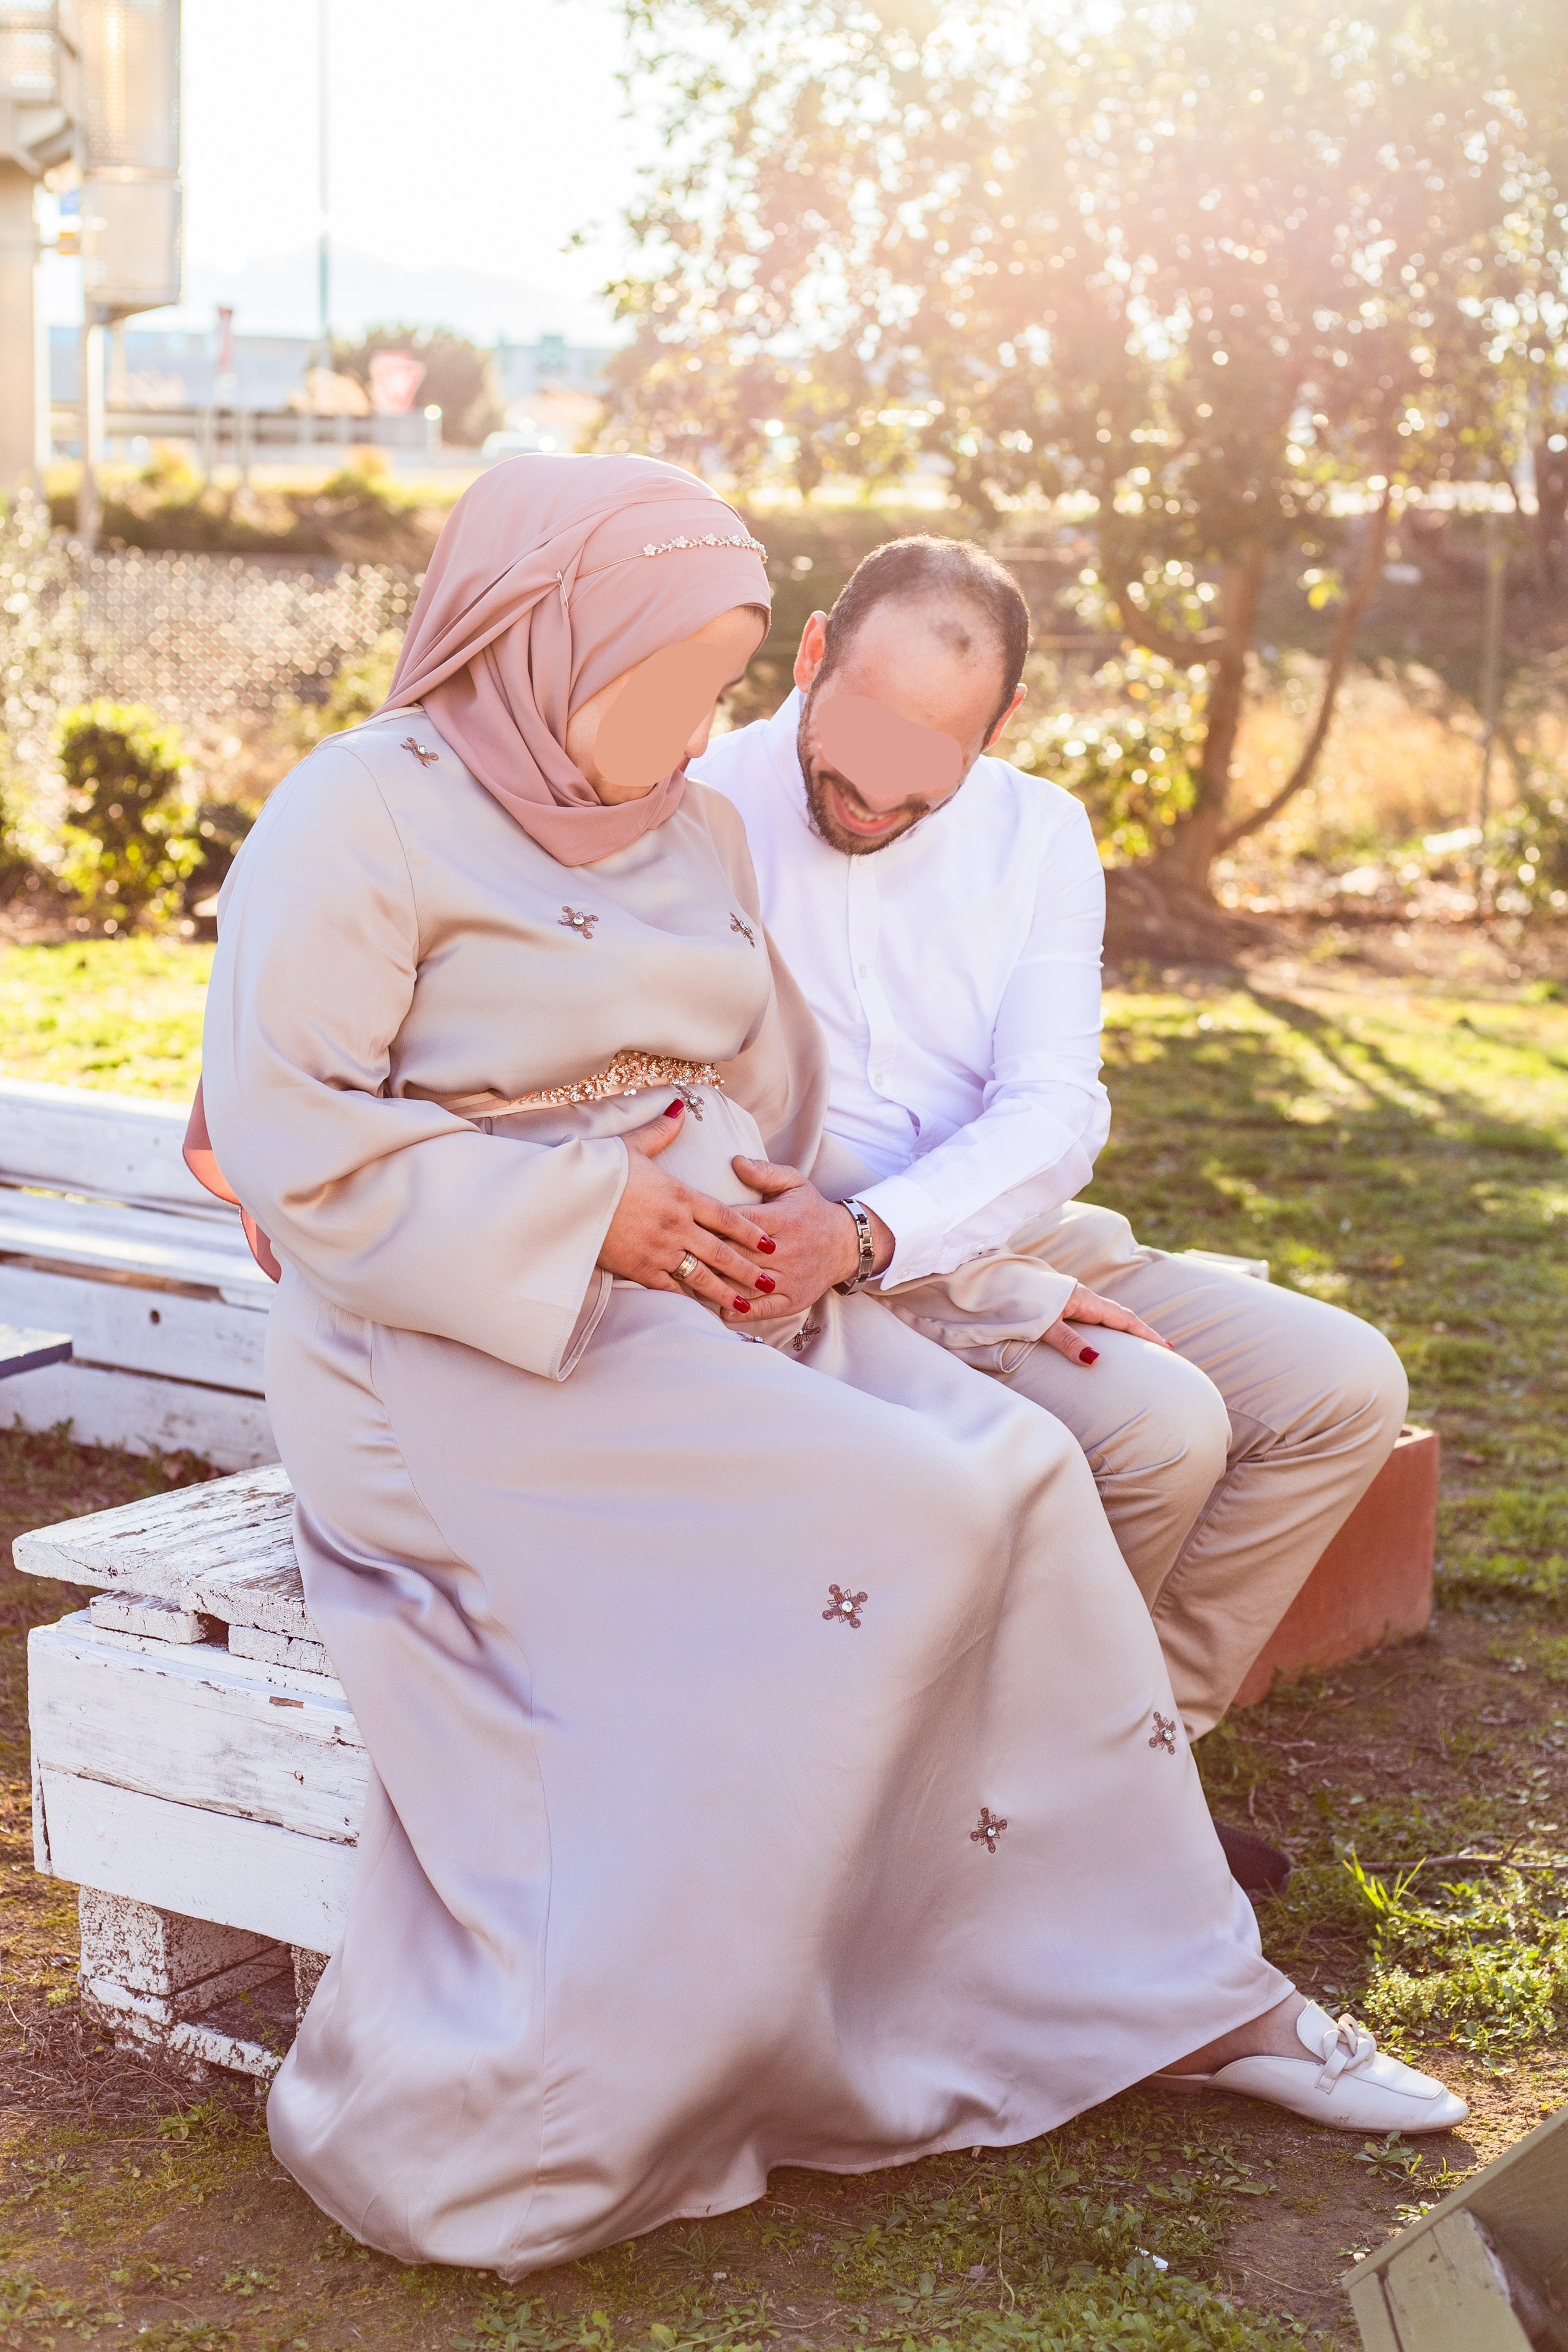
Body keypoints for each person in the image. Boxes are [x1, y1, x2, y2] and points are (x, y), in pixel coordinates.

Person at [198, 459, 1462, 2281]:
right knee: (920, 1507)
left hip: (719, 1285)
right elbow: (293, 1140)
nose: (708, 729)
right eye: (683, 676)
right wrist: (599, 1215)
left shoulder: (681, 824)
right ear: (550, 634)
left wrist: (808, 1206)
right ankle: (804, 2015)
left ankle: (1176, 1988)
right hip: (470, 1335)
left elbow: (762, 1082)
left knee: (1022, 1474)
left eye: (720, 685)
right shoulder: (361, 815)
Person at [692, 538, 1411, 1815]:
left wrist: (901, 1238)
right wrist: (874, 1255)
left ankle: (1120, 1776)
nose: (871, 790)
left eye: (933, 755)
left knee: (1343, 1386)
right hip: (797, 1267)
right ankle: (1005, 1805)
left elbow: (1053, 1109)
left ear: (1004, 722)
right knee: (1161, 1425)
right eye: (857, 727)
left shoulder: (1035, 834)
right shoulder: (692, 809)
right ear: (807, 657)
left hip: (968, 1233)